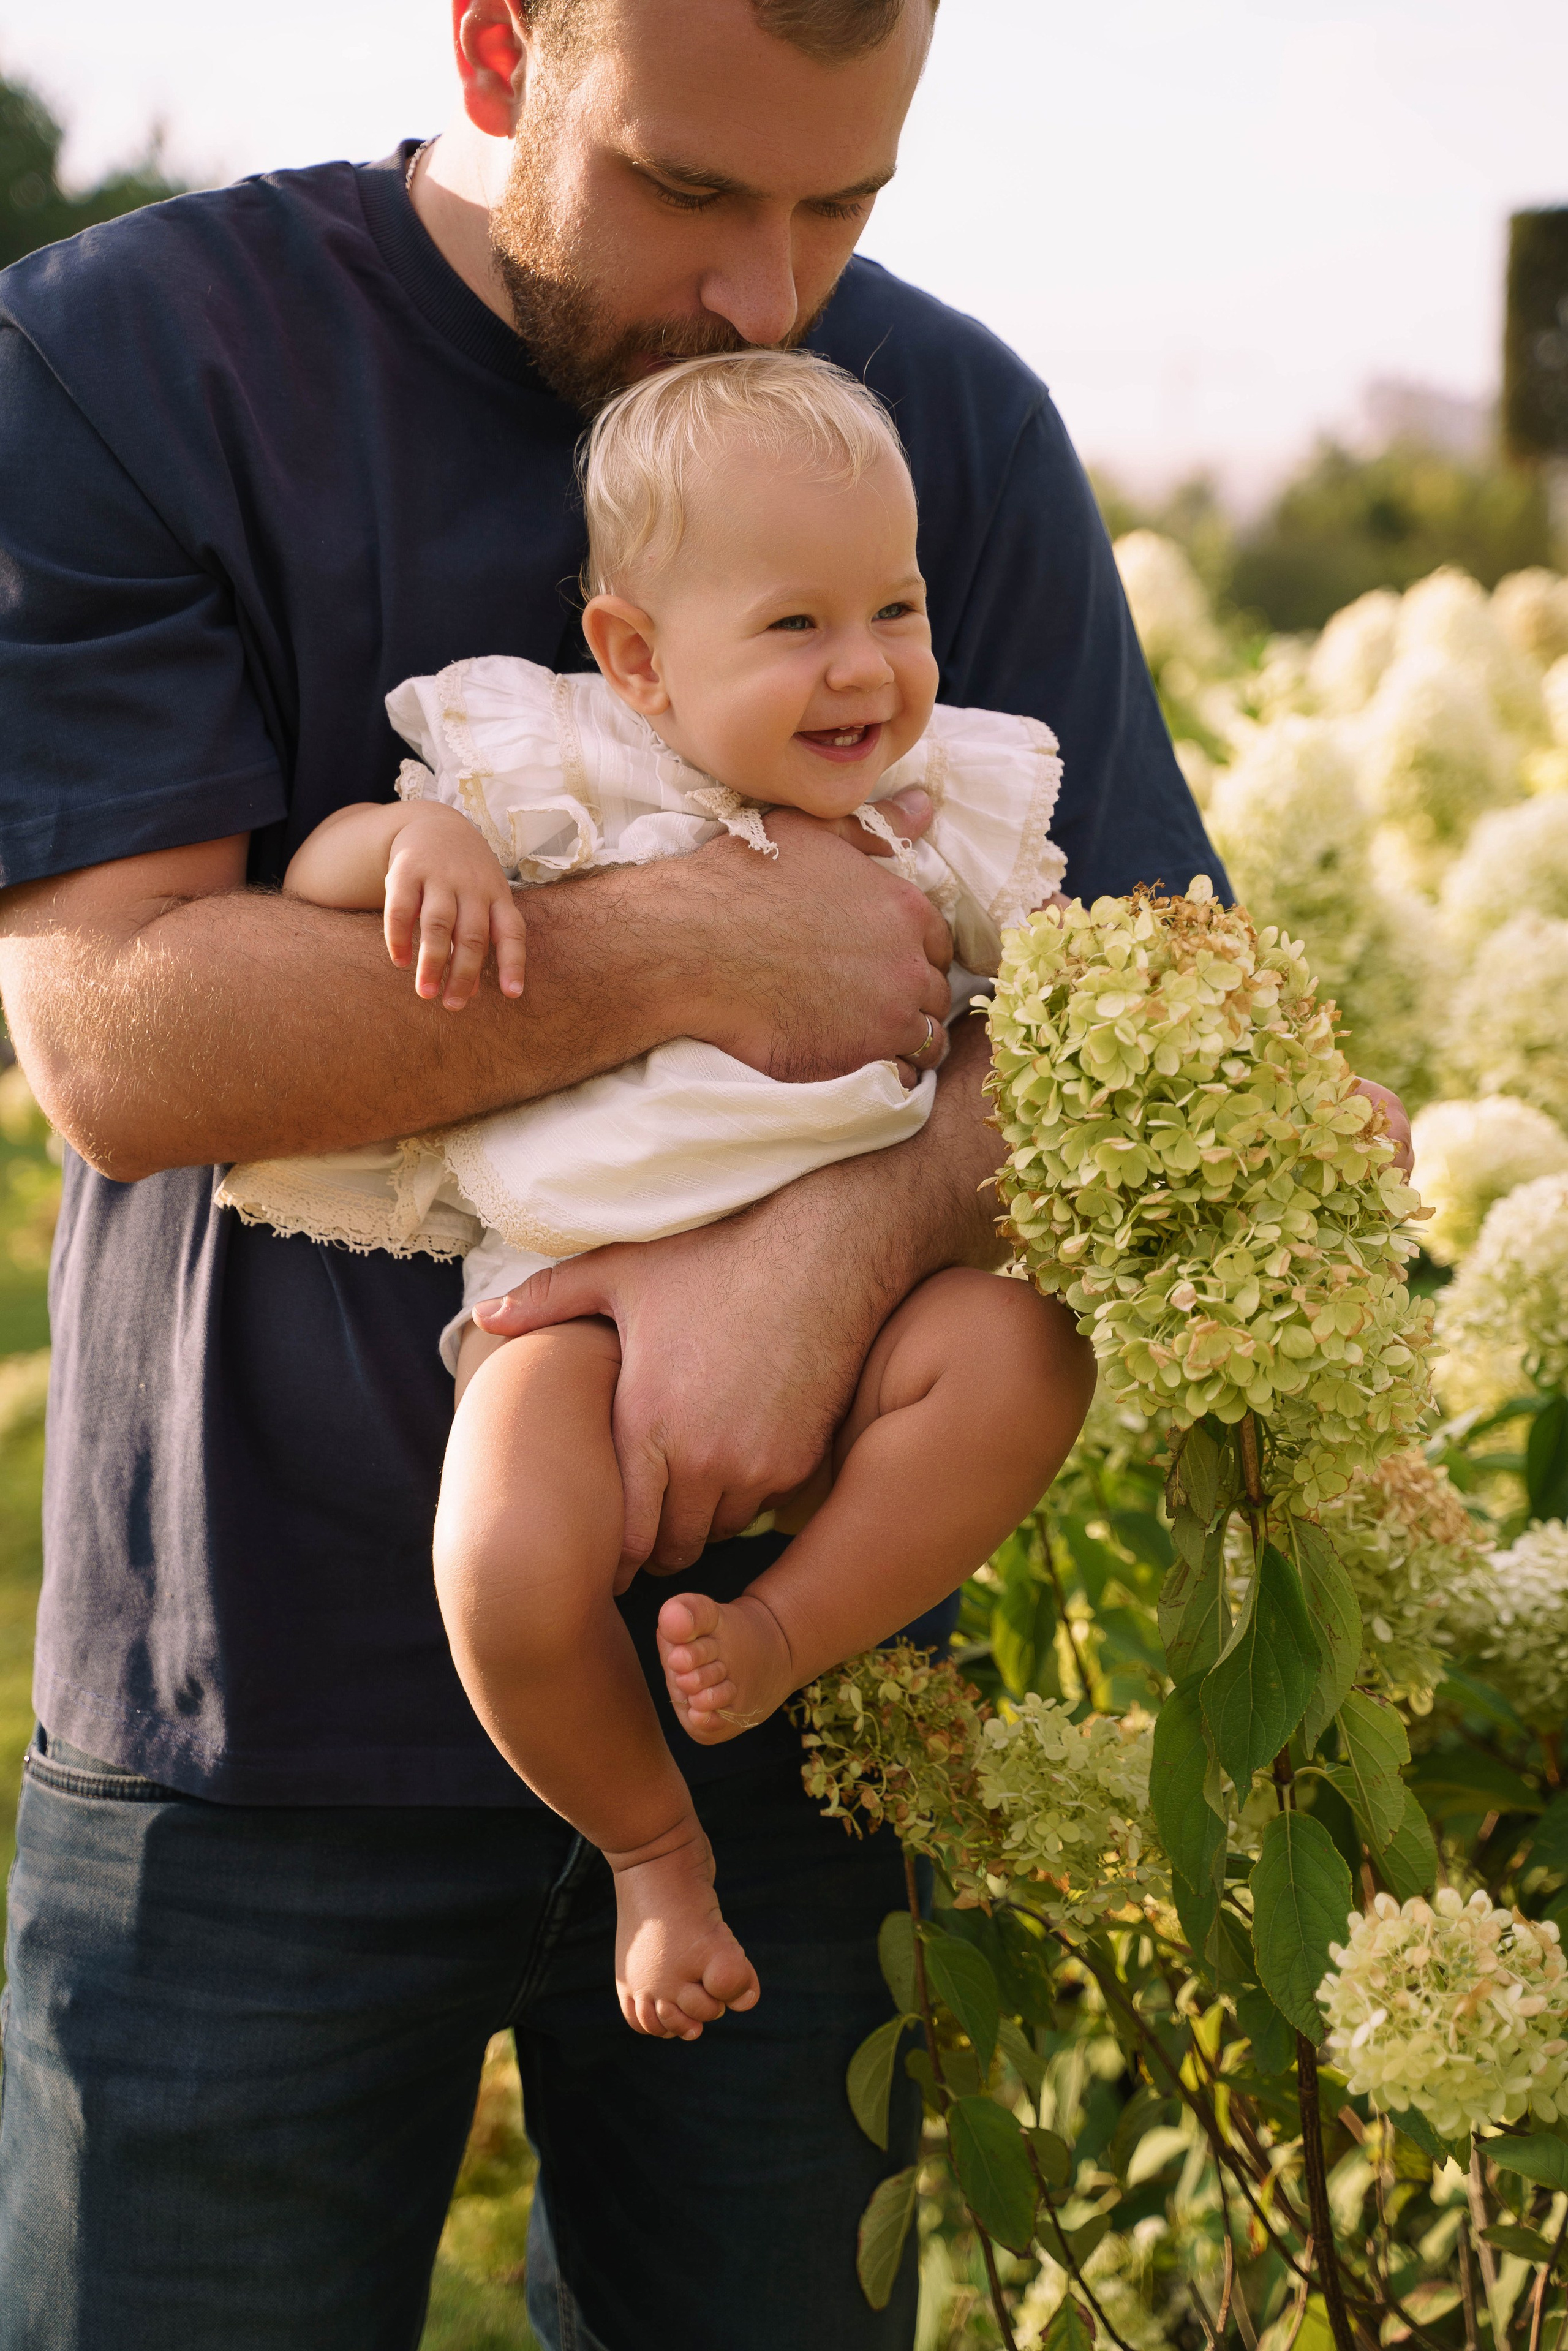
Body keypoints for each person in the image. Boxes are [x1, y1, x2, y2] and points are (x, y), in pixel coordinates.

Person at [0, 1, 1291, 2344]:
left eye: (847, 200)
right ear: (504, 49)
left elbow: (1154, 1014)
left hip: (802, 1741)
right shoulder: (136, 357)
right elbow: (119, 1039)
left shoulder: (949, 428)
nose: (773, 290)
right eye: (694, 193)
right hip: (240, 1739)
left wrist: (840, 1241)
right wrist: (700, 941)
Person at [224, 347, 1094, 2040]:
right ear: (634, 658)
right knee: (501, 1557)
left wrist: (1272, 1070)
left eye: (897, 610)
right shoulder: (563, 774)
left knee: (1027, 1361)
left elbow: (1081, 999)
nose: (866, 671)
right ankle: (649, 1847)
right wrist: (419, 854)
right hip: (573, 1293)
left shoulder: (944, 817)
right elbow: (322, 876)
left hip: (883, 1304)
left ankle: (782, 1626)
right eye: (794, 628)